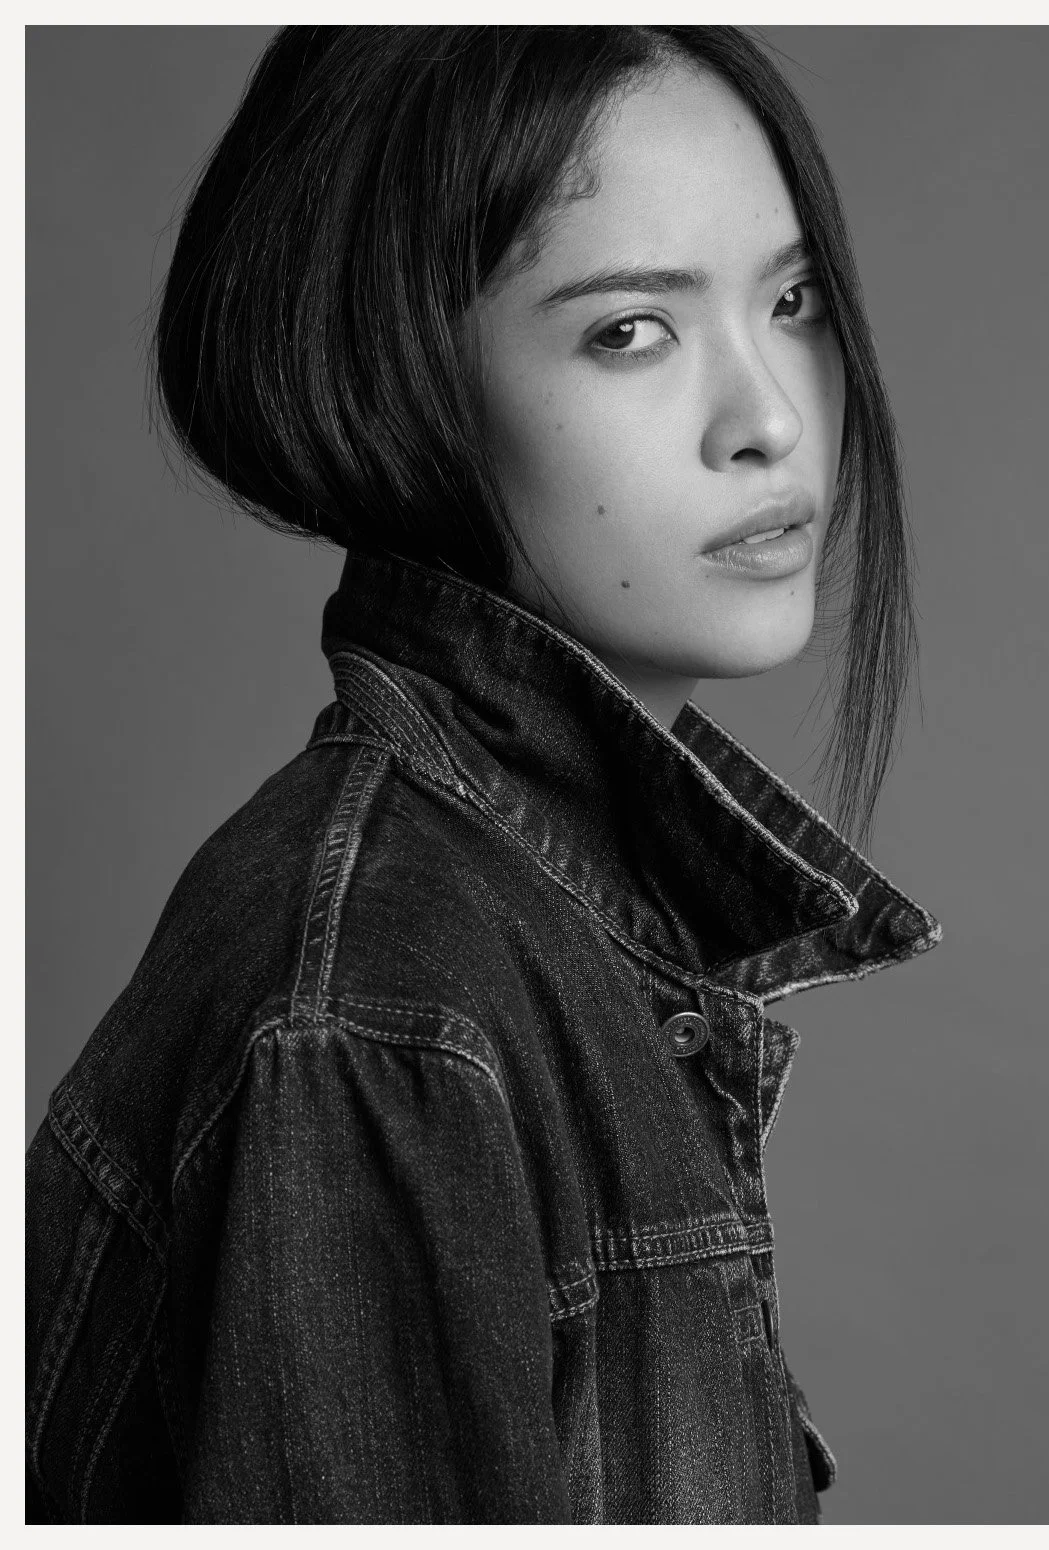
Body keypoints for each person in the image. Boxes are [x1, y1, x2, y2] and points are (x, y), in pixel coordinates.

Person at [25, 25, 941, 1524]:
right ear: (399, 380)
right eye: (629, 330)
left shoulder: (527, 923)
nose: (772, 416)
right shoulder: (383, 1004)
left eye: (794, 301)